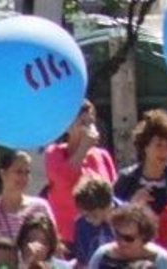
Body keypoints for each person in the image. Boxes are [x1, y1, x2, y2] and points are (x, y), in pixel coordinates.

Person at [44, 103, 119, 240]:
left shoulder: (102, 155)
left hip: (101, 234)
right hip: (68, 236)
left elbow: (112, 192)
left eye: (91, 122)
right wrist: (84, 147)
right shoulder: (54, 152)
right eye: (83, 123)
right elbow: (64, 179)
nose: (89, 128)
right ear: (67, 127)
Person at [114, 111, 167, 215]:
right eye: (158, 145)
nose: (164, 151)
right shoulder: (126, 179)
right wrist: (131, 206)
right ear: (145, 146)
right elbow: (111, 219)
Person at [0, 151, 53, 242]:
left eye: (27, 172)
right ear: (3, 174)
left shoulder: (40, 207)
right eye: (19, 172)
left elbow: (54, 245)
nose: (24, 177)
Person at [86, 206, 167, 269]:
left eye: (128, 238)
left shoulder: (163, 261)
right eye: (117, 234)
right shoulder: (102, 254)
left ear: (144, 237)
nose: (121, 242)